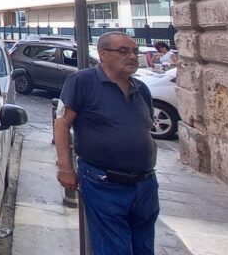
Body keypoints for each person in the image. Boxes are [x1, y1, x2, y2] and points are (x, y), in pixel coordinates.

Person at [54, 32, 158, 255]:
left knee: (144, 247)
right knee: (115, 248)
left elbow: (144, 128)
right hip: (104, 182)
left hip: (145, 185)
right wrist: (65, 167)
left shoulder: (142, 89)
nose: (131, 56)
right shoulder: (82, 81)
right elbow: (62, 123)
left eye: (134, 51)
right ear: (102, 54)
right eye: (123, 51)